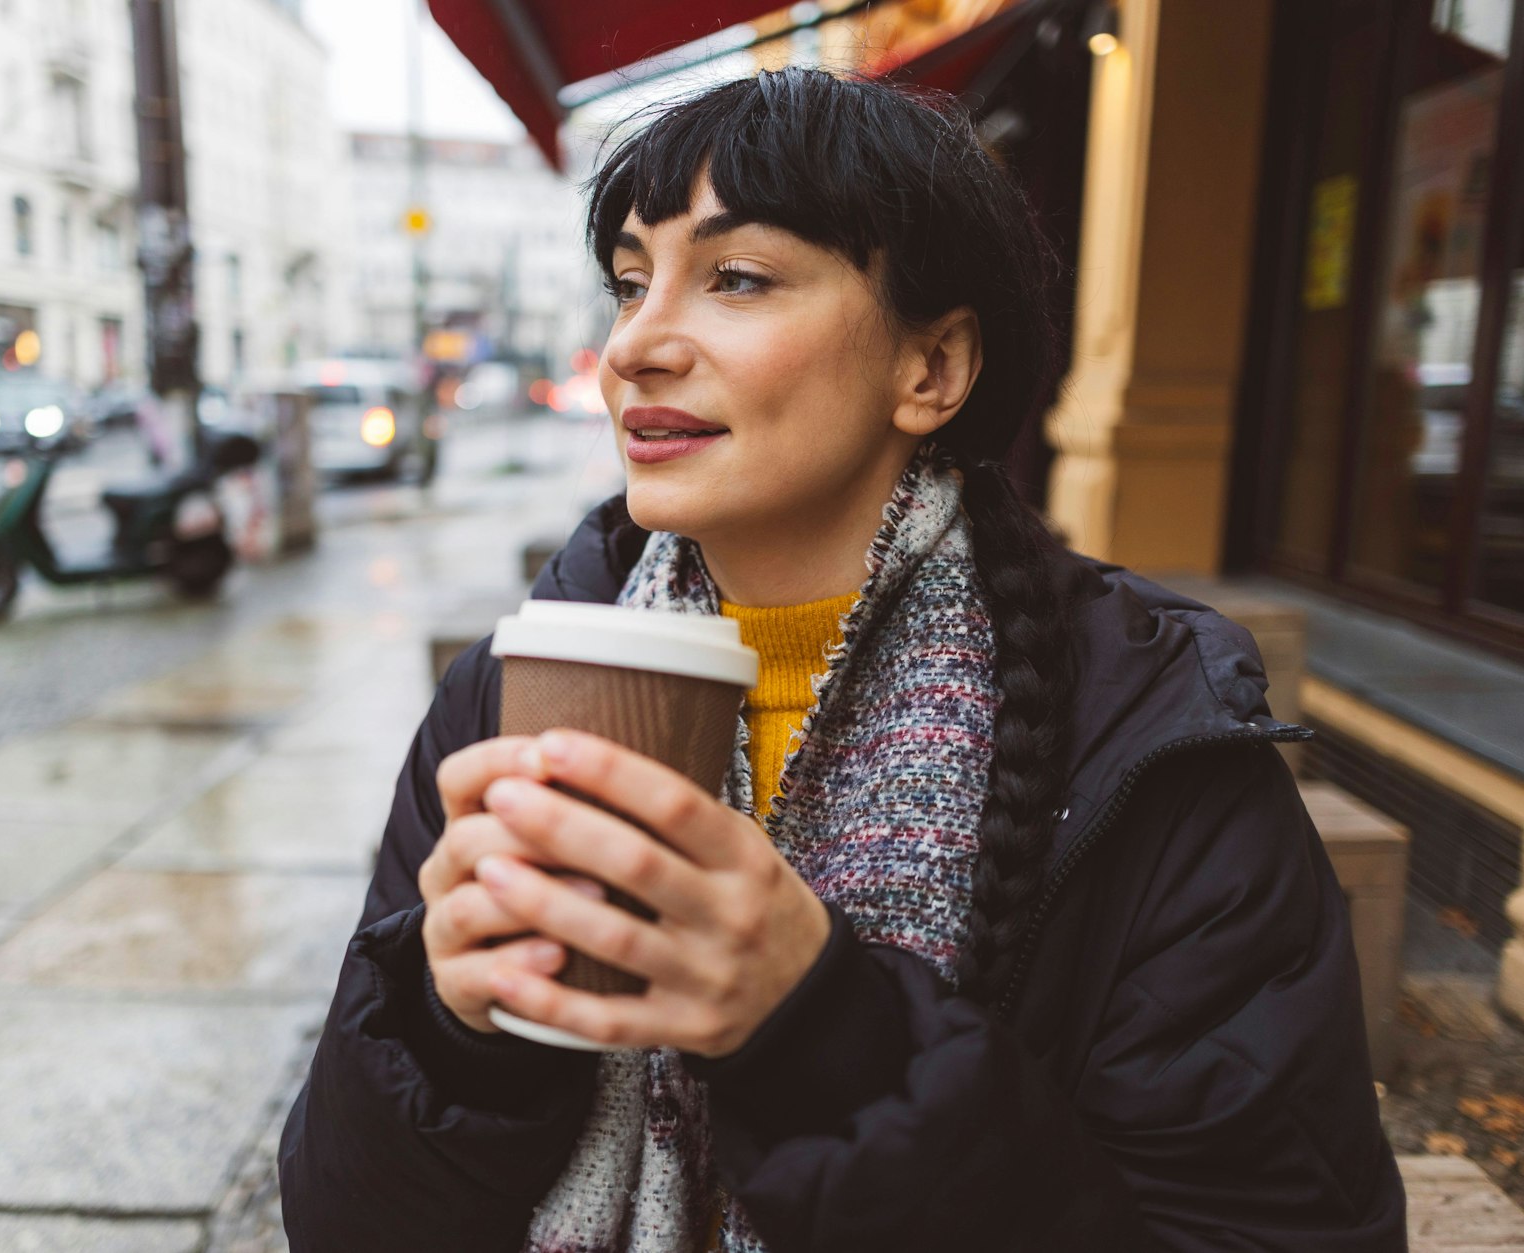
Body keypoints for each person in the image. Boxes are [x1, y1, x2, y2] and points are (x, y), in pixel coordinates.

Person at [278, 68, 1405, 1251]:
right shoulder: (509, 694)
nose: (633, 347)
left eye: (737, 277)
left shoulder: (1141, 744)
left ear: (931, 369)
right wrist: (454, 1038)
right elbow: (346, 1218)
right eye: (626, 282)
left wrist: (821, 1033)